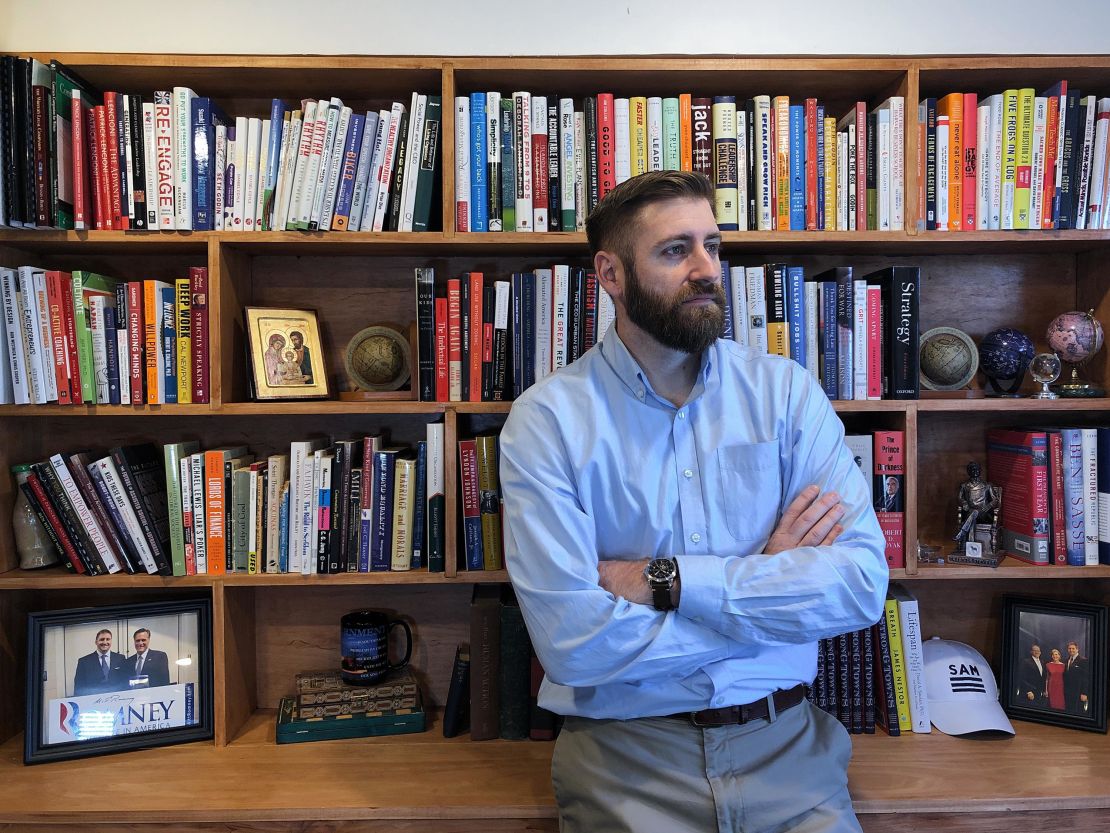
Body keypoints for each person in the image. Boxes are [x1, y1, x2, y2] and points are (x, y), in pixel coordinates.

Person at [499, 171, 888, 833]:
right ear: (611, 274)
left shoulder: (785, 394)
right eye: (676, 251)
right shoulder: (548, 421)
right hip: (626, 765)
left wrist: (666, 579)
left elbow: (857, 588)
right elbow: (573, 646)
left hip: (790, 755)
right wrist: (769, 587)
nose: (708, 269)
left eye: (713, 244)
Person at [73, 628, 127, 696]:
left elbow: (125, 682)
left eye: (108, 639)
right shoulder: (84, 661)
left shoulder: (121, 659)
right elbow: (79, 687)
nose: (105, 642)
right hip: (93, 702)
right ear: (96, 642)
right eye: (101, 639)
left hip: (116, 701)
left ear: (111, 641)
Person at [1063, 640, 1089, 714]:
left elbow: (1086, 678)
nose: (1071, 650)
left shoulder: (1083, 660)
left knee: (1077, 712)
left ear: (1077, 649)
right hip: (1067, 692)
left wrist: (1084, 693)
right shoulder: (1066, 660)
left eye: (1073, 648)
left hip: (1078, 691)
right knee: (1068, 711)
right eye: (1069, 648)